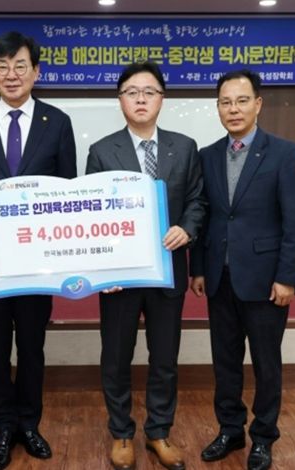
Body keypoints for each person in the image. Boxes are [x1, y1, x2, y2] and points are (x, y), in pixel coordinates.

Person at [0, 31, 77, 470]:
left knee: (31, 344)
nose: (11, 74)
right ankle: (2, 426)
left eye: (20, 66)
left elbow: (68, 189)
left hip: (38, 259)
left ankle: (29, 422)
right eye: (2, 67)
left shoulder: (56, 122)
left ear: (36, 72)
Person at [85, 61, 206, 470]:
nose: (141, 99)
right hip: (120, 276)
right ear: (120, 100)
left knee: (164, 358)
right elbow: (92, 214)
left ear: (162, 99)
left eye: (149, 92)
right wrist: (103, 270)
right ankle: (121, 432)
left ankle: (158, 432)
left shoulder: (184, 147)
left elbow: (197, 200)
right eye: (132, 92)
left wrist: (187, 228)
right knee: (116, 357)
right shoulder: (102, 151)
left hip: (167, 270)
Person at [189, 69, 295, 470]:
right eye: (225, 102)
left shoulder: (284, 153)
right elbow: (204, 216)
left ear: (258, 104)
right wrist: (198, 268)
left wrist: (288, 277)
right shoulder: (207, 155)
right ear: (217, 107)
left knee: (265, 362)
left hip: (265, 279)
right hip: (219, 278)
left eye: (241, 101)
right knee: (224, 360)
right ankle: (230, 429)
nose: (233, 109)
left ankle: (263, 436)